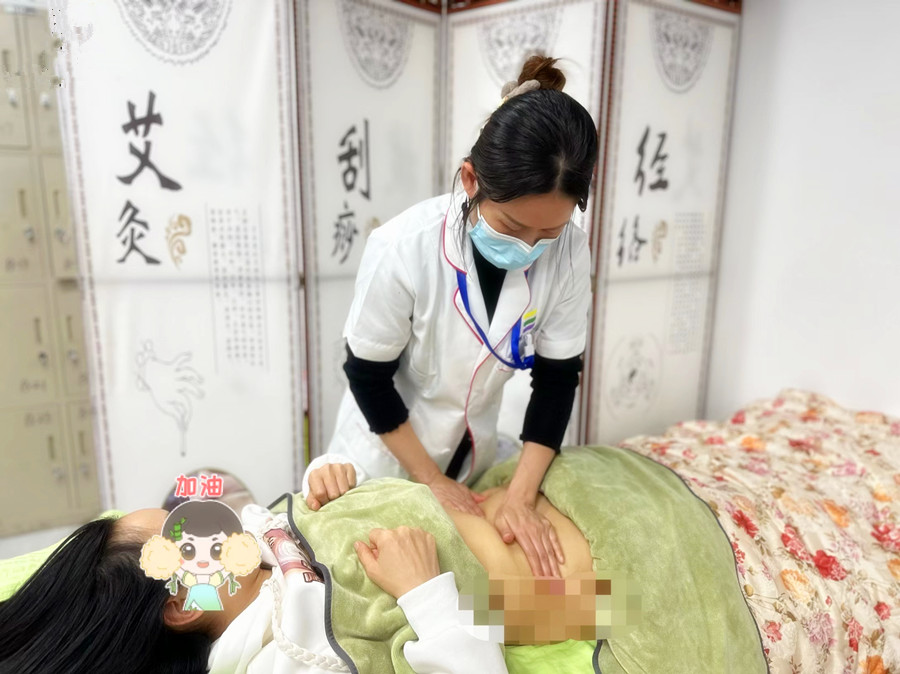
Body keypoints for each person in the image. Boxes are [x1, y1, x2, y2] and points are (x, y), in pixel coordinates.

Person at [310, 54, 599, 580]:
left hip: (473, 456)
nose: (529, 246)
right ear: (470, 179)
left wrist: (521, 496)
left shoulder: (571, 253)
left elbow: (558, 379)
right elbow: (368, 375)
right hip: (385, 450)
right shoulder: (404, 247)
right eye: (512, 226)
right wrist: (430, 479)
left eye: (548, 232)